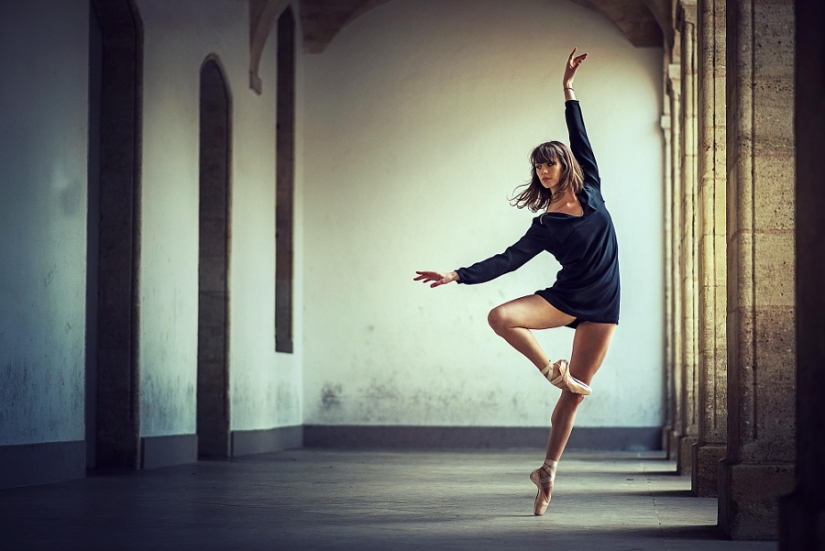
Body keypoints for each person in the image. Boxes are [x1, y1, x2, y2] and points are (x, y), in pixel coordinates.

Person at [414, 48, 620, 516]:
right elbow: (508, 260)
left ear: (565, 165)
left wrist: (568, 88)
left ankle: (547, 470)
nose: (543, 171)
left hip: (603, 304)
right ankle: (550, 367)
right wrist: (457, 274)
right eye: (537, 167)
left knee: (576, 395)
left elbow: (579, 134)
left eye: (549, 163)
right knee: (501, 316)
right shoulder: (545, 224)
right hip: (566, 298)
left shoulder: (592, 190)